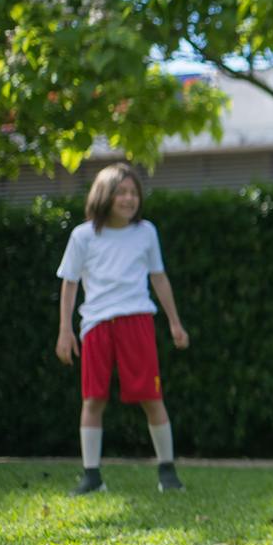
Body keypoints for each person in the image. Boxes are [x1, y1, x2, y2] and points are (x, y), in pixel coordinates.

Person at [55, 162, 190, 495]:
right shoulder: (82, 235)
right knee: (93, 399)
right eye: (122, 192)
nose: (130, 199)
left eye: (134, 193)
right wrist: (65, 330)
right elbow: (70, 283)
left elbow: (158, 277)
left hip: (137, 322)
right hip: (97, 325)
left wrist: (174, 321)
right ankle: (91, 476)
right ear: (104, 195)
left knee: (151, 397)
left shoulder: (146, 232)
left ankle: (167, 472)